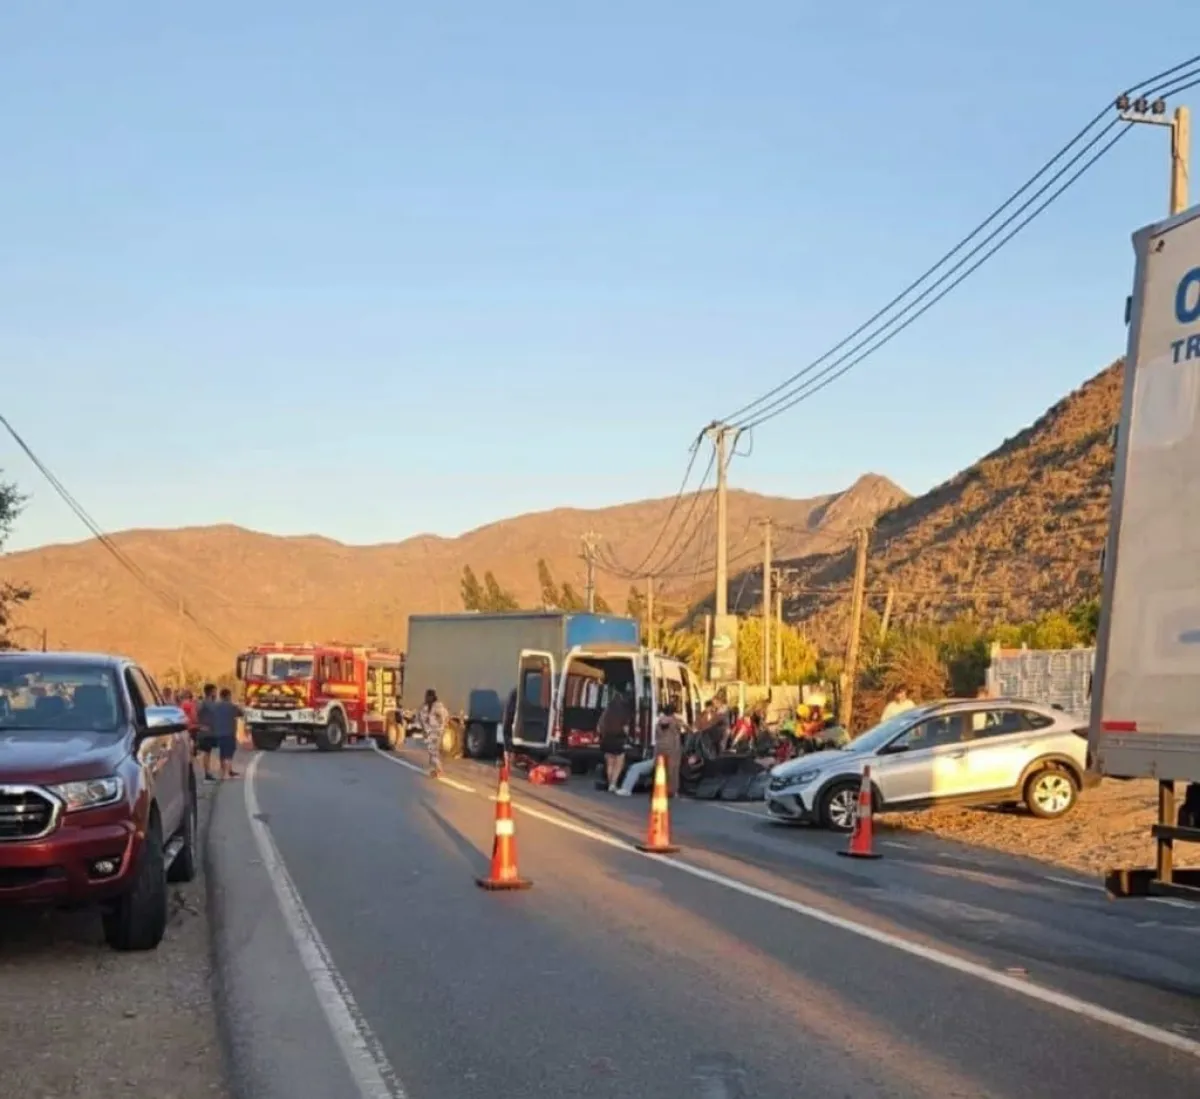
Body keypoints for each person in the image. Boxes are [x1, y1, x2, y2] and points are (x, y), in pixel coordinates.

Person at [598, 688, 632, 793]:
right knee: (619, 763)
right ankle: (613, 784)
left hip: (607, 739)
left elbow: (599, 726)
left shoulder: (607, 711)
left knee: (610, 763)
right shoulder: (623, 712)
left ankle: (610, 784)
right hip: (618, 739)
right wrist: (629, 738)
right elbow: (625, 728)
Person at [655, 700, 685, 797]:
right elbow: (687, 729)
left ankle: (661, 789)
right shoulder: (676, 721)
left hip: (660, 747)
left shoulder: (659, 721)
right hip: (673, 748)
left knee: (661, 768)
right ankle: (673, 790)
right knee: (673, 769)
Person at [419, 688, 448, 778]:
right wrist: (424, 730)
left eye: (428, 696)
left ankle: (438, 769)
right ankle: (435, 769)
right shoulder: (425, 707)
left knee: (433, 751)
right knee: (431, 751)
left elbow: (445, 717)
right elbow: (421, 719)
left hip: (436, 732)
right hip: (428, 732)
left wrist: (441, 728)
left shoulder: (438, 706)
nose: (426, 698)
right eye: (426, 696)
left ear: (432, 697)